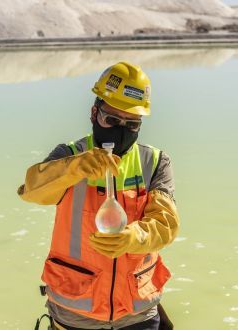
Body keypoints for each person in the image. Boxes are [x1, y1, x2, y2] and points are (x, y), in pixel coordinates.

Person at [18, 62, 179, 330]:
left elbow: (166, 224)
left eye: (132, 123)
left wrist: (134, 237)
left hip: (137, 313)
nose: (120, 129)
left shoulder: (155, 162)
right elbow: (32, 191)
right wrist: (73, 167)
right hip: (76, 311)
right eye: (112, 120)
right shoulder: (69, 155)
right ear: (94, 113)